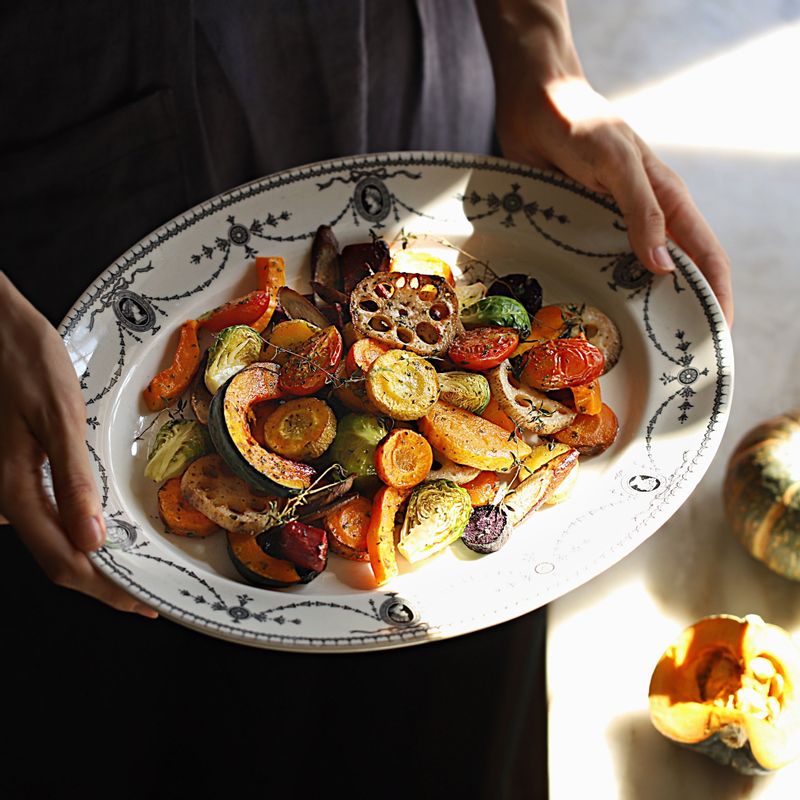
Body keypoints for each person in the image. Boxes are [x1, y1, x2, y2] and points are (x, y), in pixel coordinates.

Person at [0, 2, 732, 797]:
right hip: (76, 219)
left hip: (417, 98)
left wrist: (536, 49)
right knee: (137, 732)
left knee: (433, 737)